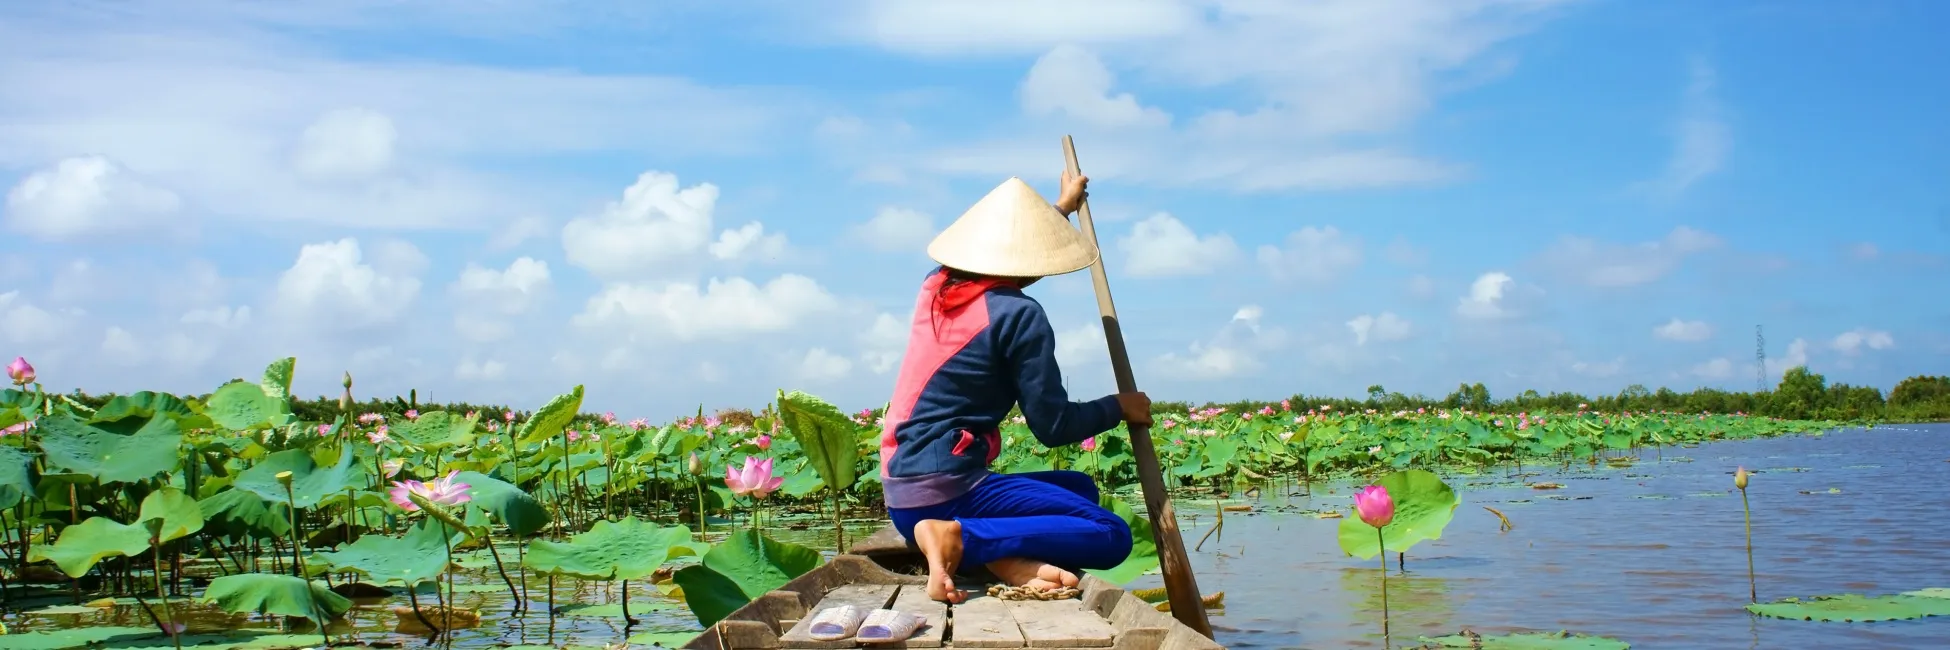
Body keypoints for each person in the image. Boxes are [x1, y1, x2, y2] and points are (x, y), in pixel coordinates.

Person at [877, 171, 1154, 603]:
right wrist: (1120, 406)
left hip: (902, 496)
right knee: (1111, 533)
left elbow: (1010, 256)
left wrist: (1060, 208)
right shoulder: (1020, 316)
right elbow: (1053, 425)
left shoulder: (936, 285)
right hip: (947, 493)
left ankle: (994, 553)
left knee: (1079, 489)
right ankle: (962, 539)